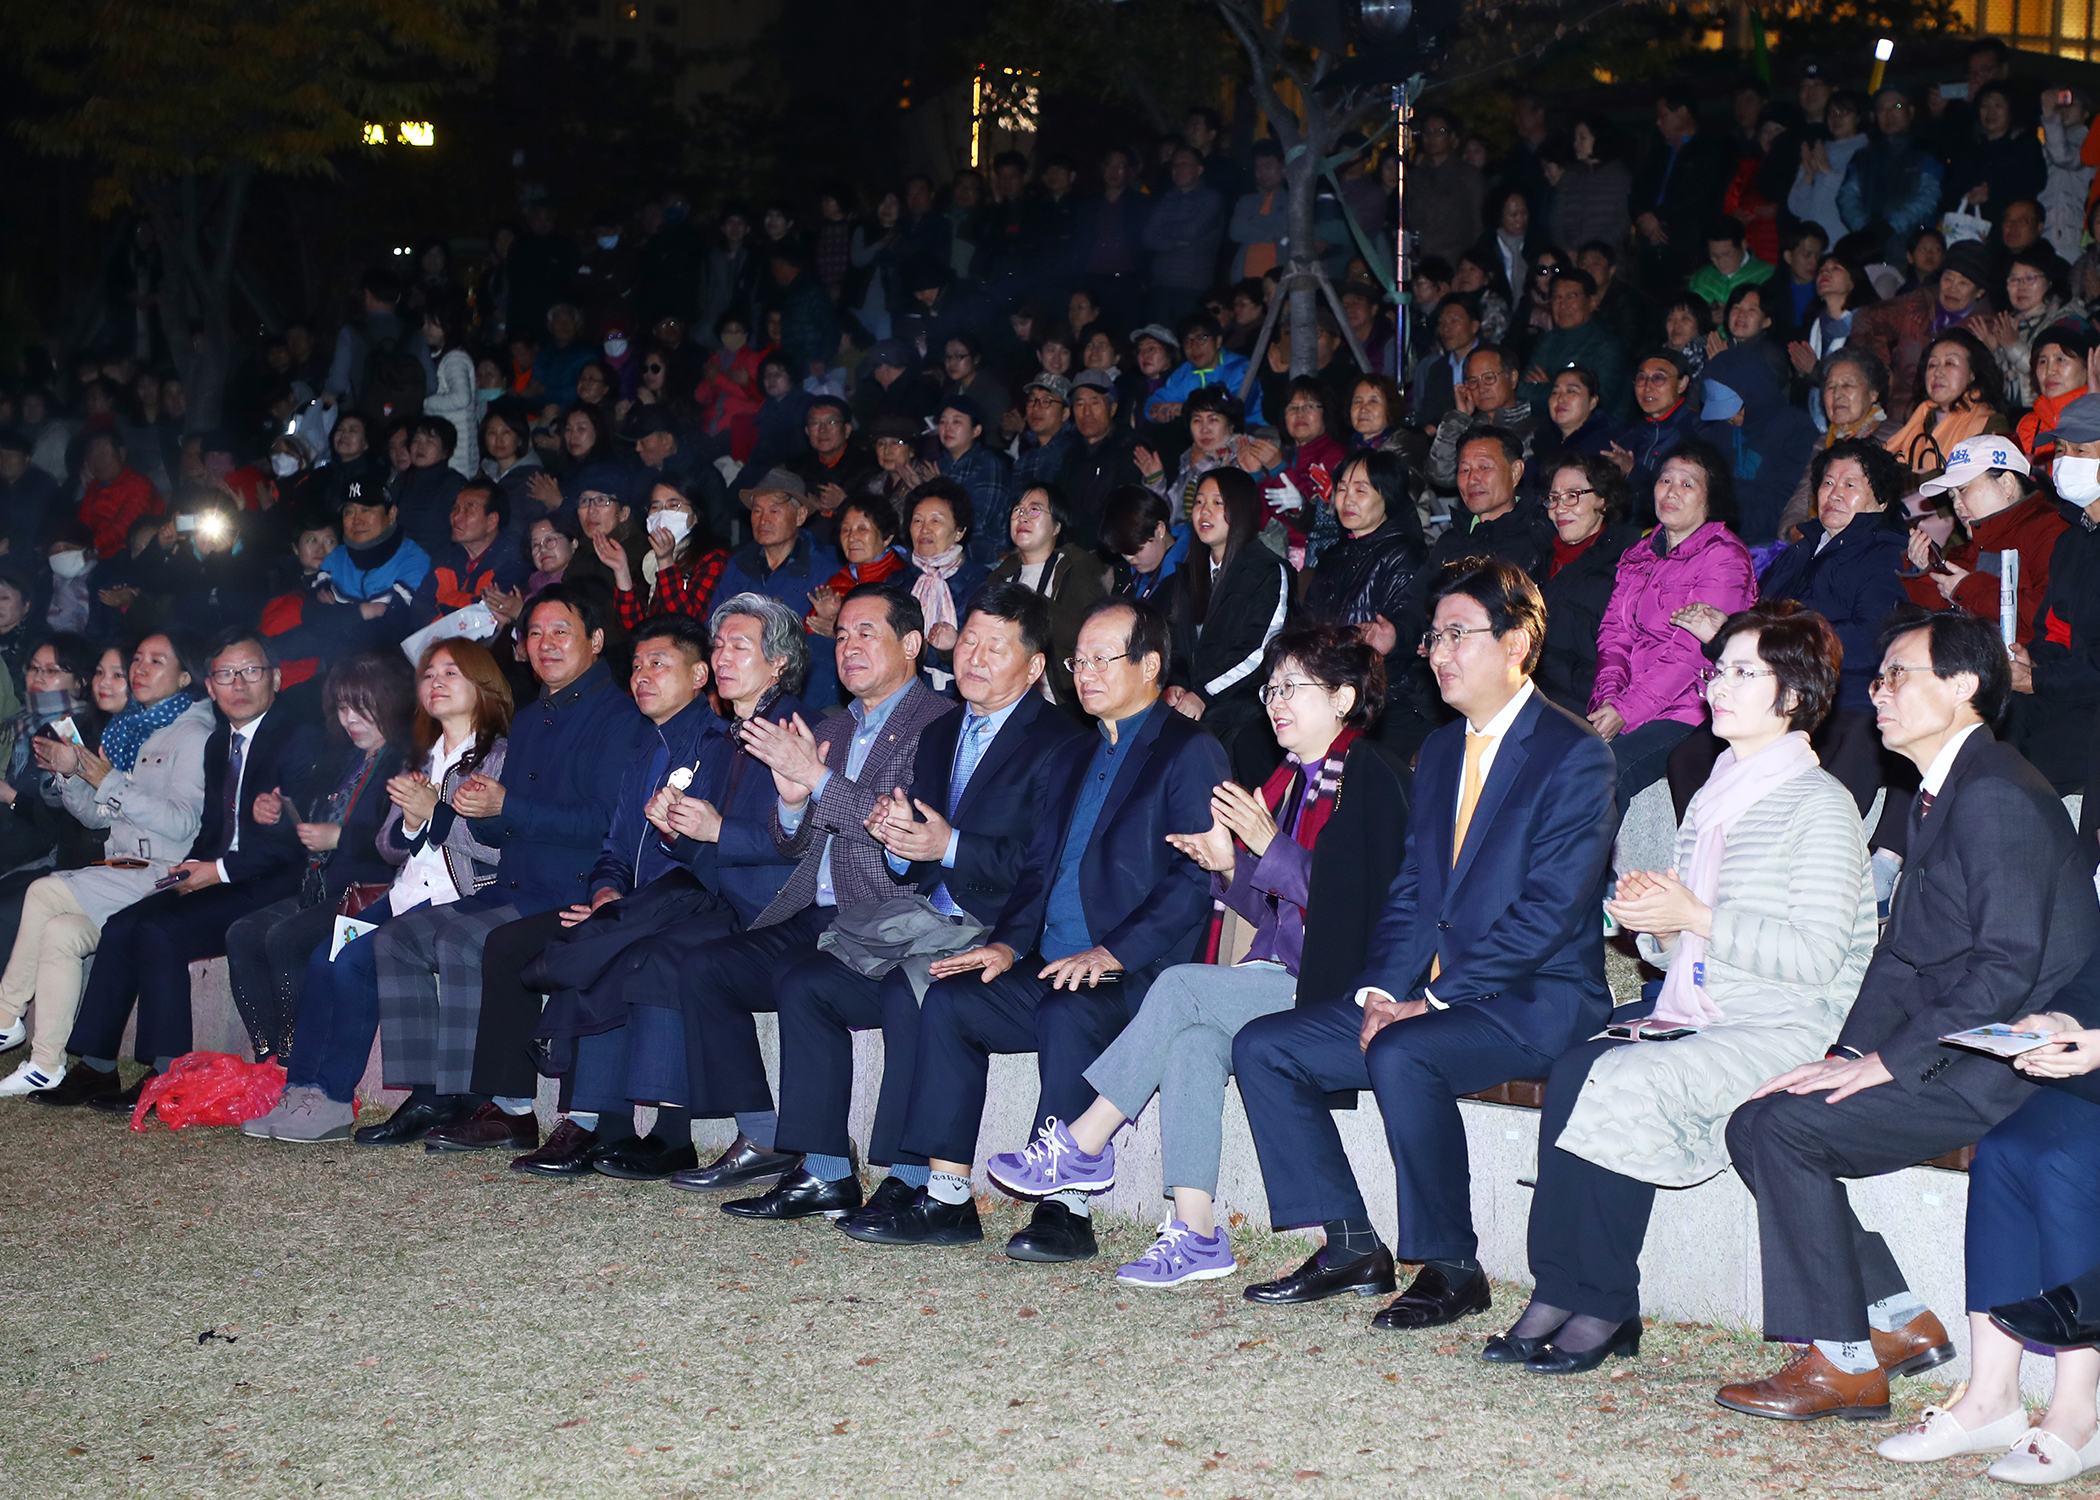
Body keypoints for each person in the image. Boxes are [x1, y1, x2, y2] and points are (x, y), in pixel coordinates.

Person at [1718, 609, 2100, 1422]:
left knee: (1784, 1130)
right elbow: (1901, 956)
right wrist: (1848, 1049)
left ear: (1962, 688)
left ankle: (1843, 1362)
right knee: (1757, 1118)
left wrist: (1885, 1063)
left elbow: (2006, 971)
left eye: (1899, 674)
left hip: (2007, 1064)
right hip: (1948, 1042)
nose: (1878, 691)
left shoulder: (1995, 792)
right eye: (1880, 674)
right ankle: (1893, 1319)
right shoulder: (1938, 791)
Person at [1232, 558, 1617, 1326]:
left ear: (1518, 643)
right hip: (1427, 997)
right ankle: (1348, 1243)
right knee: (1264, 1046)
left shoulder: (1574, 754)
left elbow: (1548, 911)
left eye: (1457, 634)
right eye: (1433, 636)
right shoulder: (1440, 751)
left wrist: (1431, 1000)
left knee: (1406, 1049)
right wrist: (1381, 990)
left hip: (1535, 1002)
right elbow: (1413, 891)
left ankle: (1451, 1266)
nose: (1437, 651)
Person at [1497, 603, 1877, 1374]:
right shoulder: (1714, 795)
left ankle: (1605, 1301)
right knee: (1577, 1066)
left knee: (1628, 1078)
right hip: (1710, 1010)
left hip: (1786, 1025)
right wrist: (1656, 924)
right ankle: (1559, 1286)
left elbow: (1816, 958)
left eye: (1744, 673)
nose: (1717, 687)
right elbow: (1680, 952)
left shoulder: (1821, 806)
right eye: (1718, 670)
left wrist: (1692, 914)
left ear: (1795, 696)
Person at [988, 624, 1409, 1283]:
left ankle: (1085, 1143)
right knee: (1191, 1045)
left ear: (1345, 699)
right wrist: (1229, 867)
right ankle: (1196, 1233)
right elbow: (1273, 907)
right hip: (1276, 975)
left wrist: (1266, 850)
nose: (1275, 701)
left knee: (1181, 988)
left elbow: (1363, 905)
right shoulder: (1287, 782)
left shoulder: (1371, 775)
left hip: (1338, 983)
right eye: (1271, 687)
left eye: (1293, 687)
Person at [847, 596, 1226, 1261]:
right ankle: (946, 1199)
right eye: (1080, 661)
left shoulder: (1188, 751)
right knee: (951, 999)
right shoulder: (1078, 752)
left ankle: (1066, 1210)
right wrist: (1006, 943)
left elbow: (1194, 883)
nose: (1087, 673)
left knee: (1069, 1013)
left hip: (1139, 972)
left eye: (1104, 659)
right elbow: (1040, 867)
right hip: (1052, 959)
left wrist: (1113, 951)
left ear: (1151, 666)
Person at [722, 586, 1087, 1222]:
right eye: (969, 640)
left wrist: (948, 844)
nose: (973, 656)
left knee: (908, 988)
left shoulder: (1060, 740)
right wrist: (901, 841)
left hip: (996, 924)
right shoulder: (947, 729)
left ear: (1034, 667)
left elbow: (1042, 864)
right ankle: (825, 1170)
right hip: (923, 918)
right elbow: (910, 849)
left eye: (994, 647)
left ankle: (910, 1175)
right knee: (807, 983)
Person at [642, 583, 956, 1194]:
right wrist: (791, 805)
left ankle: (831, 1172)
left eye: (867, 633)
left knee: (801, 981)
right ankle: (764, 1136)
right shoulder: (835, 725)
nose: (849, 646)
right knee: (706, 967)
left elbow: (897, 826)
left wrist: (812, 777)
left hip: (888, 915)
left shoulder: (936, 723)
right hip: (816, 911)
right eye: (840, 635)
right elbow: (793, 842)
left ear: (913, 644)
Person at [426, 612, 741, 1169]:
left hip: (688, 902)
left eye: (660, 664)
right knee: (527, 941)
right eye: (638, 665)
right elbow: (614, 843)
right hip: (628, 902)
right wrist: (604, 891)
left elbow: (707, 855)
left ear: (699, 677)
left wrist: (621, 905)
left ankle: (595, 1122)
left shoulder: (718, 746)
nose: (643, 675)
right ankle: (525, 1110)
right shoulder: (645, 749)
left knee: (597, 947)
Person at [352, 585, 644, 1149]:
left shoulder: (618, 718)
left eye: (561, 631)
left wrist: (507, 806)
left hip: (571, 888)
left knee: (465, 939)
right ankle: (430, 1094)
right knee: (396, 940)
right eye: (533, 633)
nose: (545, 644)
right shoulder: (532, 721)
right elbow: (500, 829)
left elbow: (604, 822)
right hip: (515, 884)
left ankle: (498, 1104)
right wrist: (479, 812)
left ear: (597, 640)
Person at [241, 640, 513, 1142]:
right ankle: (301, 1090)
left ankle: (334, 1100)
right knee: (324, 956)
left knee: (351, 962)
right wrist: (411, 823)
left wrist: (436, 815)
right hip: (403, 894)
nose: (435, 682)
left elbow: (501, 849)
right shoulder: (422, 757)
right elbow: (389, 846)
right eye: (429, 674)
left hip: (460, 898)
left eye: (450, 673)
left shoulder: (498, 758)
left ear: (482, 686)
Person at [57, 629, 321, 1105]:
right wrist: (193, 865)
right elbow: (212, 827)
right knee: (122, 925)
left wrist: (215, 872)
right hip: (224, 874)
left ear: (277, 679)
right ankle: (96, 1065)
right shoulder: (221, 742)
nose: (238, 684)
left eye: (251, 672)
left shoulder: (299, 739)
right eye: (225, 674)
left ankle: (167, 1074)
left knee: (160, 932)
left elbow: (296, 846)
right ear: (211, 687)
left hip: (278, 883)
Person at [3, 636, 212, 1103]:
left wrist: (107, 779)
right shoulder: (129, 729)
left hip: (164, 872)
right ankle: (45, 1064)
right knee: (60, 932)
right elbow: (99, 817)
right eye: (136, 659)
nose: (139, 669)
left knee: (43, 892)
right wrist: (73, 773)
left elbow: (184, 825)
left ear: (184, 677)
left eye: (156, 661)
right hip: (123, 867)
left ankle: (3, 1018)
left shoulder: (193, 735)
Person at [1674, 440, 1909, 820]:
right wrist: (1725, 633)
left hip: (1838, 693)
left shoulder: (1884, 553)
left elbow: (1871, 638)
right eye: (1828, 482)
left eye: (1851, 485)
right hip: (1769, 687)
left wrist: (1773, 644)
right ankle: (1712, 854)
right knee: (1688, 756)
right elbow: (1761, 616)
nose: (1835, 493)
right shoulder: (1798, 550)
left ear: (1880, 501)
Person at [221, 650, 414, 1068]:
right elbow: (302, 817)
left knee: (286, 938)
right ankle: (268, 1056)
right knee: (242, 933)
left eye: (363, 706)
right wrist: (272, 813)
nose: (351, 719)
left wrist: (340, 838)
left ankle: (296, 1060)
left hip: (371, 893)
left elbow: (400, 840)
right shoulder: (341, 757)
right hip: (321, 886)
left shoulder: (407, 760)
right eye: (344, 707)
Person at [1589, 442, 1758, 812]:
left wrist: (1625, 711)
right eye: (1665, 479)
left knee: (1605, 771)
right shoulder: (1639, 553)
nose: (1671, 491)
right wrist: (1608, 699)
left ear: (1709, 498)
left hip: (1692, 707)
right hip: (1632, 699)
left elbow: (1689, 653)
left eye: (1687, 484)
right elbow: (1614, 636)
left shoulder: (1723, 557)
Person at [1166, 469, 1291, 785]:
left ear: (1242, 510)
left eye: (1218, 502)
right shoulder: (1189, 576)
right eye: (1199, 502)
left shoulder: (1268, 571)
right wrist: (1177, 682)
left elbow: (1261, 650)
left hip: (1248, 711)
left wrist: (1203, 693)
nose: (1204, 511)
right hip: (1200, 708)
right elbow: (1177, 645)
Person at [1901, 437, 2065, 650]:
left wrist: (1971, 589)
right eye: (1952, 496)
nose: (1957, 505)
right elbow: (1934, 625)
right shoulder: (1970, 547)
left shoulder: (2051, 529)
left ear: (2006, 484)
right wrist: (1926, 572)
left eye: (1963, 489)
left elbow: (2051, 615)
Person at [714, 471, 842, 708]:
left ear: (800, 515)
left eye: (774, 510)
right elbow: (713, 627)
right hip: (743, 691)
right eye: (757, 510)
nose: (763, 520)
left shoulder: (827, 569)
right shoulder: (739, 565)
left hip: (808, 698)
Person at [986, 485, 1109, 715]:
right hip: (1005, 700)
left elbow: (1087, 636)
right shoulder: (1002, 575)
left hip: (1064, 704)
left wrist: (1032, 603)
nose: (1022, 517)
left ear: (1056, 527)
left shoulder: (1079, 567)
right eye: (1017, 511)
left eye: (1034, 510)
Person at [1535, 453, 1640, 718]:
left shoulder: (1626, 567)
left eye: (1572, 495)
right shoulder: (1537, 557)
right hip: (1532, 695)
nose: (1559, 508)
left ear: (1603, 501)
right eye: (1554, 498)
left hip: (1583, 708)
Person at [1854, 248, 1996, 427]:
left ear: (1979, 292)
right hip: (1895, 413)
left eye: (1963, 283)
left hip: (1950, 419)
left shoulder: (1986, 327)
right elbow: (1866, 318)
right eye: (1948, 278)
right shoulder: (1920, 302)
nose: (1952, 288)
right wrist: (1879, 367)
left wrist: (1992, 352)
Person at [1423, 425, 1553, 583]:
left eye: (1484, 467)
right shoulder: (1449, 543)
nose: (1472, 479)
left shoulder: (1541, 538)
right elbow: (1413, 604)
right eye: (1464, 470)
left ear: (1516, 472)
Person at [1838, 89, 1946, 266]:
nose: (1888, 114)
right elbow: (1846, 196)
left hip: (1913, 253)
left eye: (1896, 106)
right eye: (1881, 108)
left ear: (1910, 111)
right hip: (1868, 252)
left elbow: (1929, 197)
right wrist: (1865, 229)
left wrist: (1891, 226)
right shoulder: (1863, 156)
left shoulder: (1927, 152)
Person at [1143, 145, 1226, 327]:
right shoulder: (1166, 199)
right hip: (1162, 285)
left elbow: (1191, 231)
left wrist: (1164, 232)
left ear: (1199, 169)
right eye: (1175, 165)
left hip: (1193, 287)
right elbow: (1147, 236)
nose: (1177, 169)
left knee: (1188, 342)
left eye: (1184, 163)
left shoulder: (1211, 199)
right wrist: (1177, 243)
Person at [2008, 322, 2092, 462]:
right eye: (2042, 362)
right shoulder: (2029, 424)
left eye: (2061, 359)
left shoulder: (2094, 420)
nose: (2050, 371)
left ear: (2089, 366)